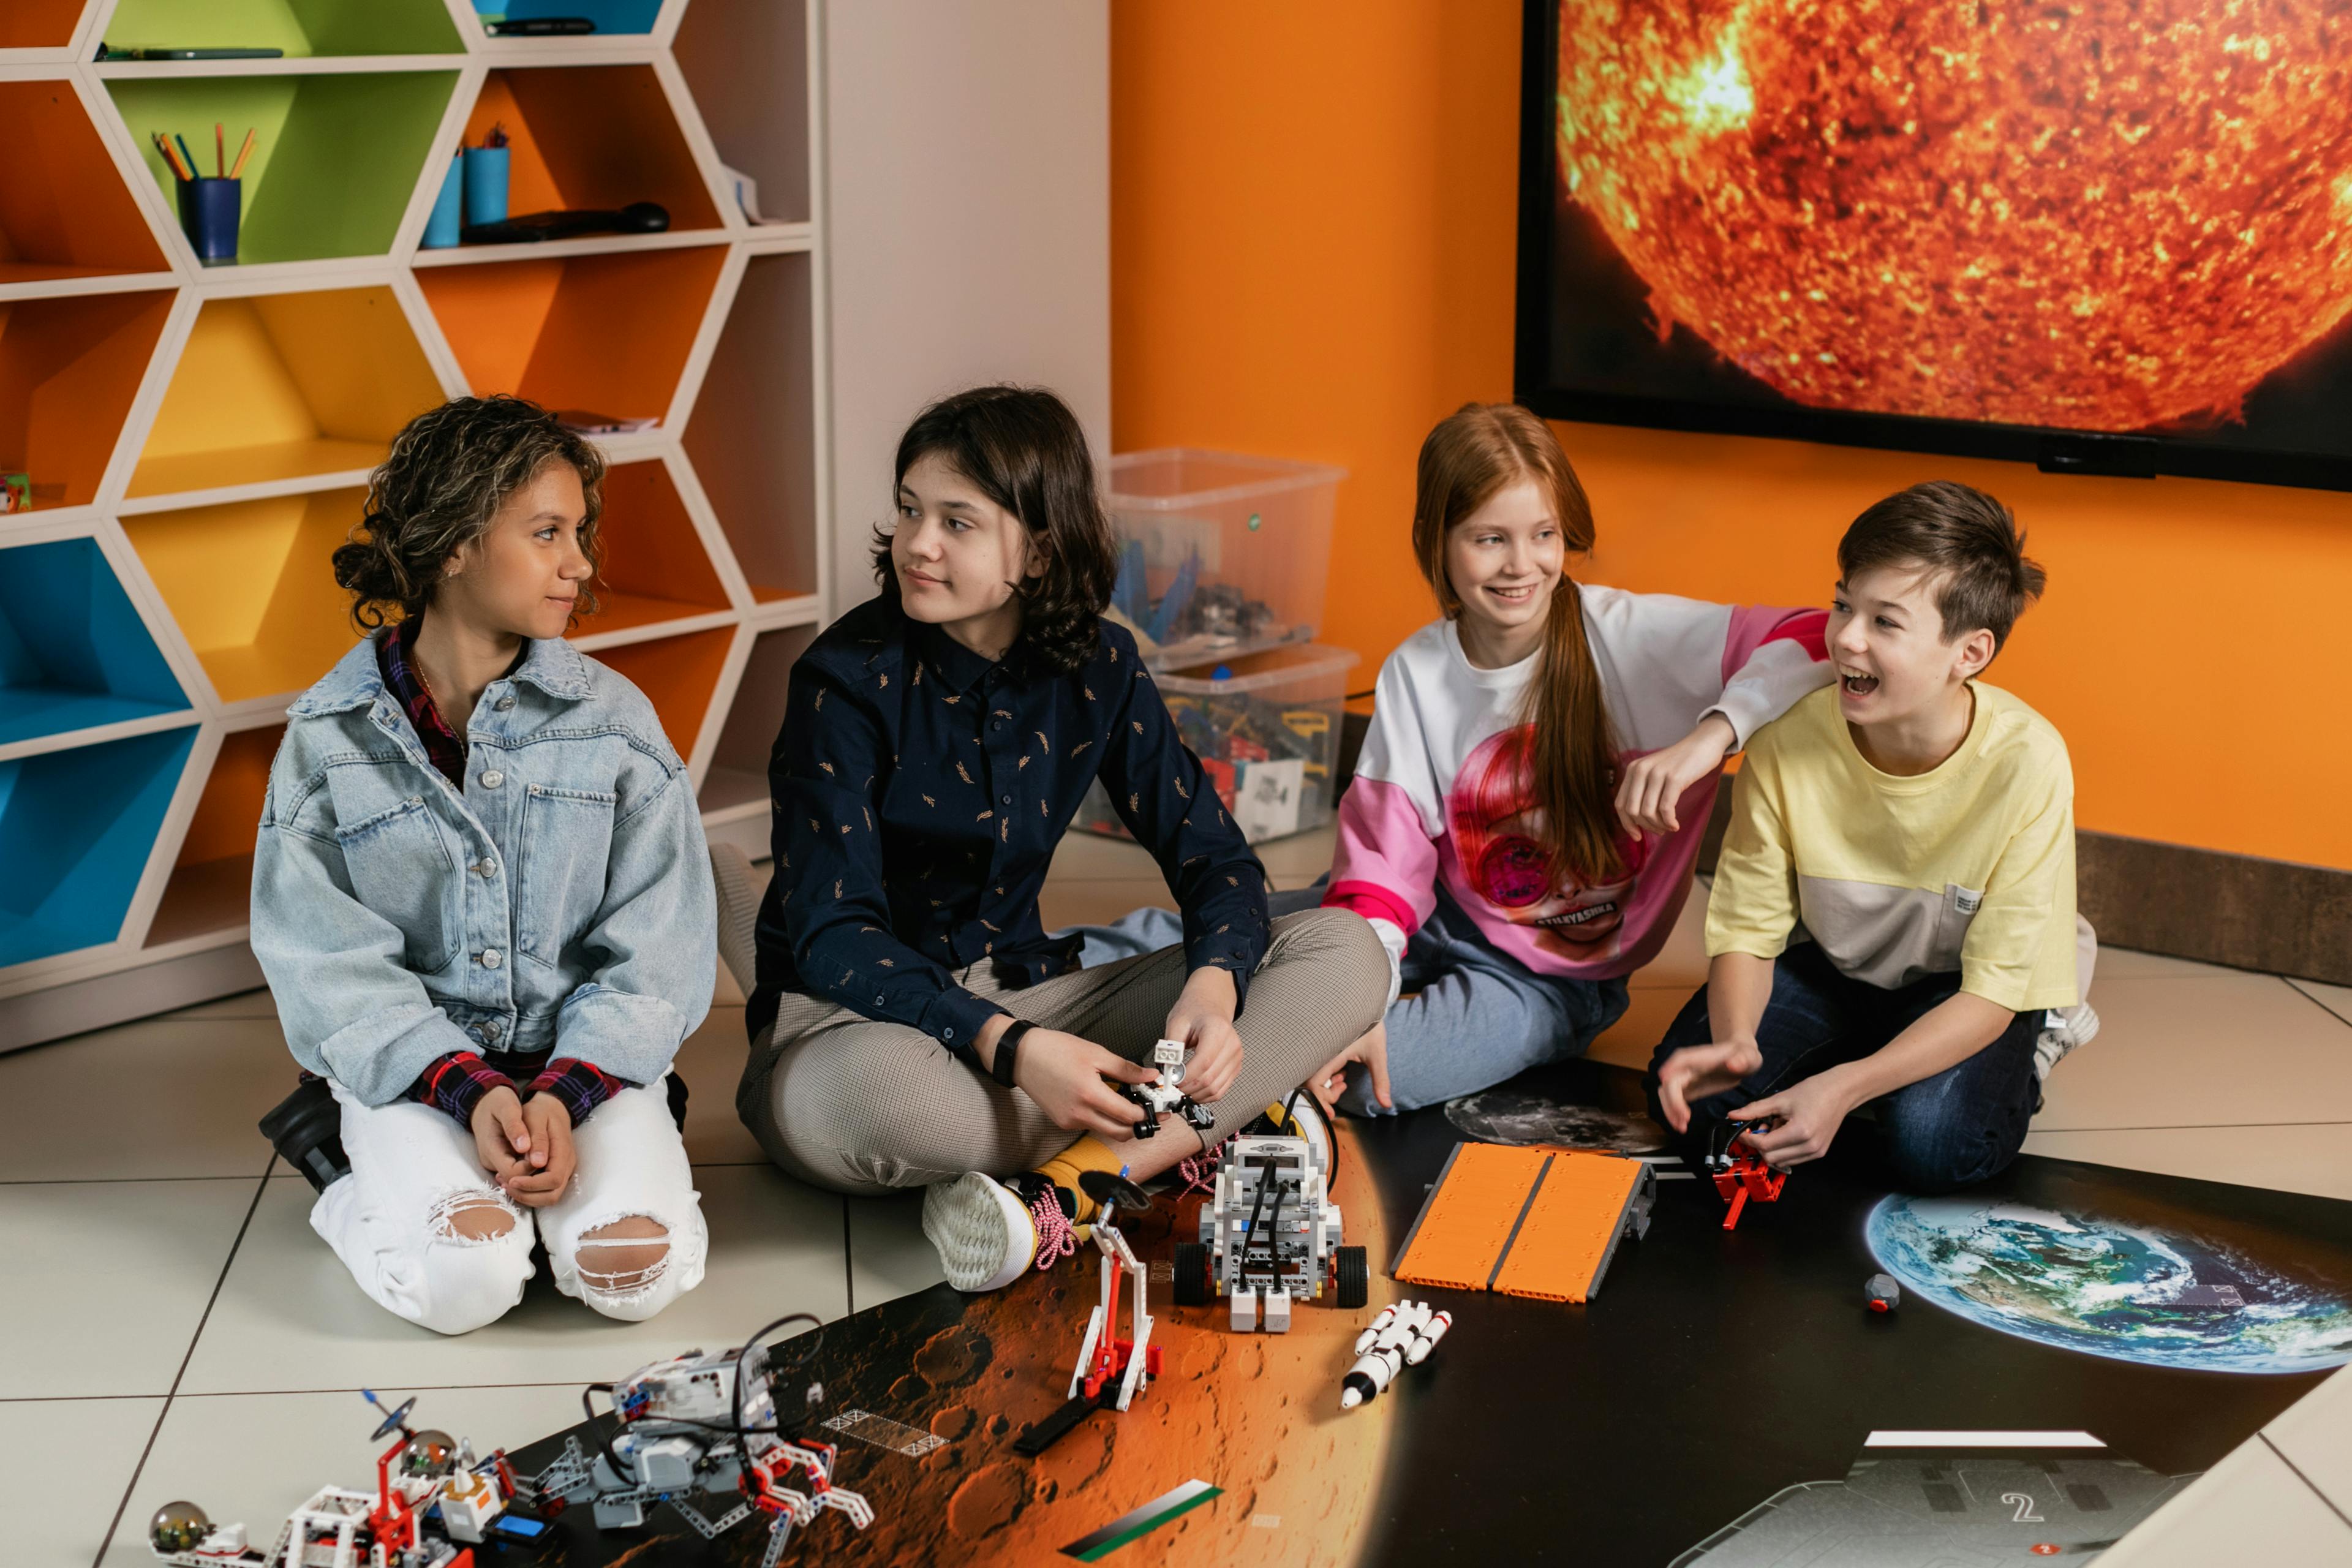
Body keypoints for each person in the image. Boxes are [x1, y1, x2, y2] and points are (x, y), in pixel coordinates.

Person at [736, 385, 1388, 1294]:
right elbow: (833, 936)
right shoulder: (842, 682)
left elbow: (1216, 857)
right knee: (890, 1103)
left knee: (1347, 952)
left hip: (1038, 1000)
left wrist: (1214, 985)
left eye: (958, 522)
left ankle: (1078, 1182)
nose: (918, 543)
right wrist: (1016, 1054)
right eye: (912, 510)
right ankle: (1186, 1125)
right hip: (858, 1028)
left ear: (1039, 549)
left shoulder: (1100, 666)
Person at [1075, 402, 1831, 1117]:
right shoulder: (1416, 672)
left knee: (1351, 1081)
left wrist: (1710, 738)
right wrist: (1353, 996)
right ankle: (1039, 985)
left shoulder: (1637, 637)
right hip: (1424, 909)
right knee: (1212, 940)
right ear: (1438, 541)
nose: (1521, 565)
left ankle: (1186, 1061)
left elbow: (1819, 635)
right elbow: (1381, 876)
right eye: (1489, 538)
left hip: (1545, 981)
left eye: (1544, 534)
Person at [251, 396, 715, 1335]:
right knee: (469, 1289)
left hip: (585, 1059)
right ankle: (342, 1175)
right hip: (421, 1067)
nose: (578, 566)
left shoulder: (616, 722)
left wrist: (571, 1089)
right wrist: (467, 1088)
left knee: (635, 1278)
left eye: (578, 533)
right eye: (547, 534)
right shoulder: (325, 739)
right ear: (452, 545)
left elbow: (660, 947)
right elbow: (323, 962)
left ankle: (577, 1172)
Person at [1648, 480, 2098, 1194]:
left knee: (1932, 1145)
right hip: (1836, 965)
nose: (1845, 638)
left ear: (1970, 653)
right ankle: (1862, 1051)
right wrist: (1736, 1043)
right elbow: (1749, 927)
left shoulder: (2029, 762)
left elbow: (1991, 990)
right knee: (1698, 1102)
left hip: (1965, 988)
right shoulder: (1789, 739)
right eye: (1843, 605)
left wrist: (1847, 1088)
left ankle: (2038, 1038)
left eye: (1886, 622)